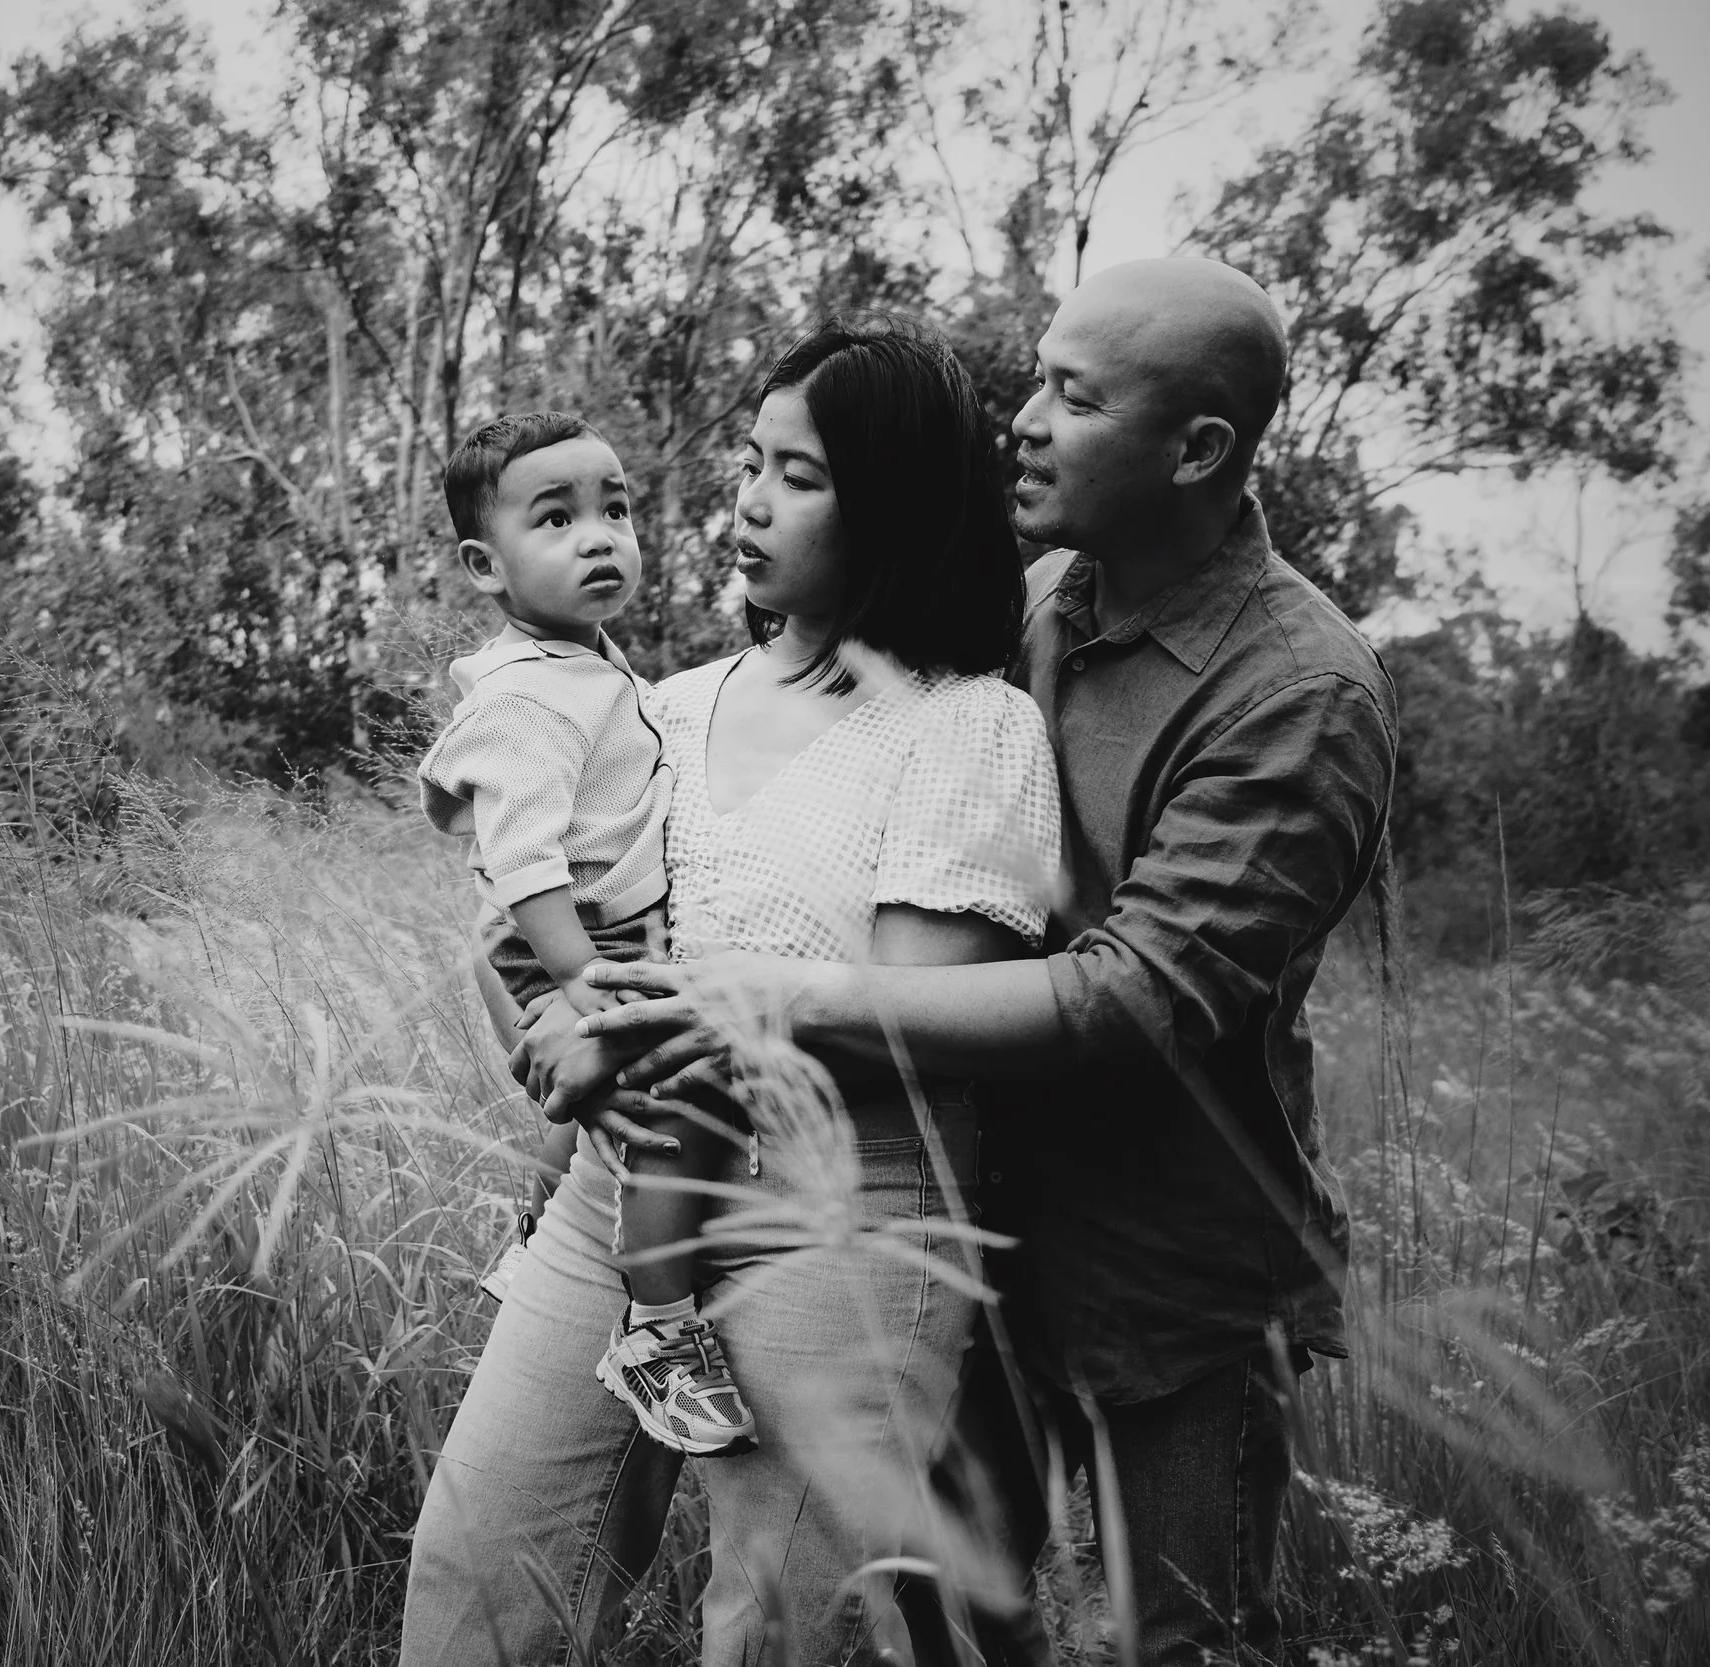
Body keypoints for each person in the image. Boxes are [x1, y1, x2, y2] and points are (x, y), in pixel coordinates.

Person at [563, 259, 1401, 1665]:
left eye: (1073, 398)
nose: (1023, 419)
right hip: (960, 1225)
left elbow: (1136, 994)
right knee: (940, 1614)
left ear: (1198, 451)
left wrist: (779, 998)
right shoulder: (1037, 599)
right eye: (1035, 378)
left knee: (1181, 1638)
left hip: (1164, 1273)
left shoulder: (1298, 692)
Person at [399, 314, 1061, 1666]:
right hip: (620, 1188)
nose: (748, 501)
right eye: (749, 461)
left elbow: (913, 1016)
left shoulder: (968, 725)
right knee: (478, 1573)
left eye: (799, 473)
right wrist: (552, 1032)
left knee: (766, 1630)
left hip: (841, 1217)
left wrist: (637, 1030)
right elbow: (528, 915)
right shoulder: (665, 704)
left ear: (896, 502)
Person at [418, 410, 756, 1457]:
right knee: (674, 1098)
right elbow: (519, 859)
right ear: (486, 563)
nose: (599, 535)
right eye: (555, 518)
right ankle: (658, 1326)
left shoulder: (587, 665)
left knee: (598, 1112)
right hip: (570, 935)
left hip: (596, 929)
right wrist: (583, 978)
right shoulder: (528, 696)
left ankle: (533, 1240)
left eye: (614, 507)